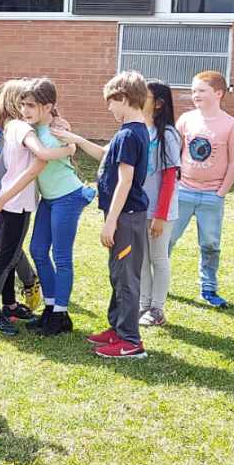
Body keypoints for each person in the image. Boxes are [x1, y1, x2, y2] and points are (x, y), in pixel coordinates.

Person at [0, 80, 73, 335]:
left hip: (10, 200)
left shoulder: (11, 126)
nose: (27, 109)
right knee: (7, 259)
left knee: (9, 257)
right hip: (15, 202)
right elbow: (40, 154)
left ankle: (8, 305)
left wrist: (60, 124)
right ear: (15, 103)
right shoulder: (22, 128)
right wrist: (70, 147)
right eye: (24, 103)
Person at [86, 71, 153, 360]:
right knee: (117, 273)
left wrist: (111, 222)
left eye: (111, 102)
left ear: (124, 98)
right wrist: (75, 138)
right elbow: (105, 156)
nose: (109, 108)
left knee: (126, 278)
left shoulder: (128, 134)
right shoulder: (132, 131)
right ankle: (117, 327)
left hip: (126, 217)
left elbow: (125, 181)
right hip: (125, 216)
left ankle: (130, 340)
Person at [24, 79, 97, 335]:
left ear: (48, 106)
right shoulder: (35, 129)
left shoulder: (55, 133)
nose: (25, 110)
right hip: (50, 199)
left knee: (61, 257)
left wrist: (68, 143)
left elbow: (54, 152)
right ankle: (51, 307)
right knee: (38, 250)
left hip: (67, 196)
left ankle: (61, 315)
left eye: (31, 105)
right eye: (23, 105)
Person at [169, 70, 234, 308]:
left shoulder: (230, 124)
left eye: (201, 90)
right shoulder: (186, 120)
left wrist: (221, 192)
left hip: (212, 195)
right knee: (166, 239)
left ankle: (208, 288)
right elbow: (172, 151)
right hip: (183, 191)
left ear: (219, 93)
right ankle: (157, 283)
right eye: (193, 91)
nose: (195, 95)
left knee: (210, 244)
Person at [138, 81, 182, 327]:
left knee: (158, 258)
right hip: (140, 208)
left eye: (145, 96)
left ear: (159, 103)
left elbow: (169, 179)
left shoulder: (168, 135)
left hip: (160, 211)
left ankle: (157, 308)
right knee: (142, 259)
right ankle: (144, 305)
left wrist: (160, 215)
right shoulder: (139, 129)